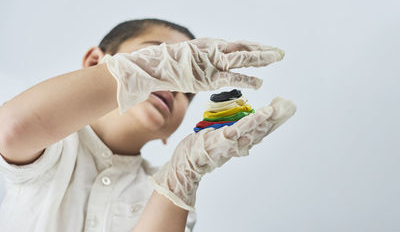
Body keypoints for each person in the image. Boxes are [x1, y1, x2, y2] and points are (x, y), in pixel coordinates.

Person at [0, 18, 296, 232]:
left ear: (172, 132)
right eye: (161, 56)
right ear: (94, 62)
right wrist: (143, 73)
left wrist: (182, 177)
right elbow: (11, 129)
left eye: (189, 88)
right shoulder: (53, 144)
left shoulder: (163, 194)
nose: (176, 84)